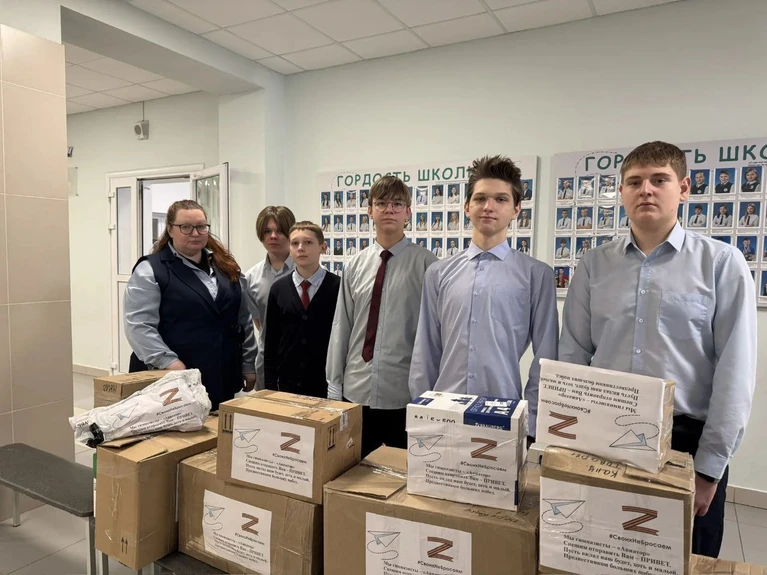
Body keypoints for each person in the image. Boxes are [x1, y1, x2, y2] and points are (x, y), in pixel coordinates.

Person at [559, 141, 756, 559]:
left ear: (683, 188)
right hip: (604, 436)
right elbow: (573, 355)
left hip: (685, 443)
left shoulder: (722, 263)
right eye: (634, 182)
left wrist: (709, 468)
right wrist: (569, 443)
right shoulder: (594, 265)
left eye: (659, 180)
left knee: (683, 558)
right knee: (603, 553)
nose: (645, 189)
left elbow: (735, 373)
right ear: (621, 192)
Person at [409, 155, 558, 438]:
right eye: (480, 199)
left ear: (516, 209)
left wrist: (533, 418)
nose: (489, 207)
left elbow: (546, 357)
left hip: (504, 414)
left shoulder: (536, 275)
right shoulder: (438, 273)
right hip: (443, 411)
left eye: (501, 199)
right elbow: (426, 348)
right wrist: (422, 409)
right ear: (467, 207)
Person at [327, 175, 438, 457]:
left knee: (402, 471)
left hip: (404, 393)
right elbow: (342, 326)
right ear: (370, 211)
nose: (389, 209)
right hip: (357, 389)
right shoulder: (355, 265)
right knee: (353, 470)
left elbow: (435, 335)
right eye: (382, 203)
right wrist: (334, 385)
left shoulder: (428, 265)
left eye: (397, 204)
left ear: (408, 212)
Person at [125, 200, 257, 409]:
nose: (195, 233)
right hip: (171, 380)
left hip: (221, 375)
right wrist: (171, 364)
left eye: (201, 226)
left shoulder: (227, 267)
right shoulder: (151, 270)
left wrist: (248, 363)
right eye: (185, 227)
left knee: (215, 428)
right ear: (170, 230)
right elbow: (139, 327)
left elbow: (243, 320)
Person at [264, 222, 340, 398]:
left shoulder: (338, 287)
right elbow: (271, 342)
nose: (300, 248)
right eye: (294, 243)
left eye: (308, 242)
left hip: (325, 384)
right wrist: (270, 386)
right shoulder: (278, 289)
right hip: (287, 384)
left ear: (323, 247)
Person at [242, 206, 297, 391]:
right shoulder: (251, 278)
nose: (273, 236)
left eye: (279, 230)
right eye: (267, 231)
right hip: (267, 363)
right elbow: (260, 325)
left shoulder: (308, 271)